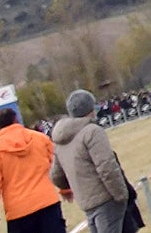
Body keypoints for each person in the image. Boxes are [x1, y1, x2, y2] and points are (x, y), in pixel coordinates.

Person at [48, 90, 130, 233]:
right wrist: (121, 194)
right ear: (91, 109)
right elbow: (107, 167)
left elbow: (56, 176)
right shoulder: (92, 131)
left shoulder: (60, 140)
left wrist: (76, 184)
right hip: (106, 198)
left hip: (86, 201)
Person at [0, 104, 64, 233]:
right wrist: (65, 187)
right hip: (47, 202)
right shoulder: (40, 139)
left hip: (18, 212)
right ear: (16, 120)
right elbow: (59, 164)